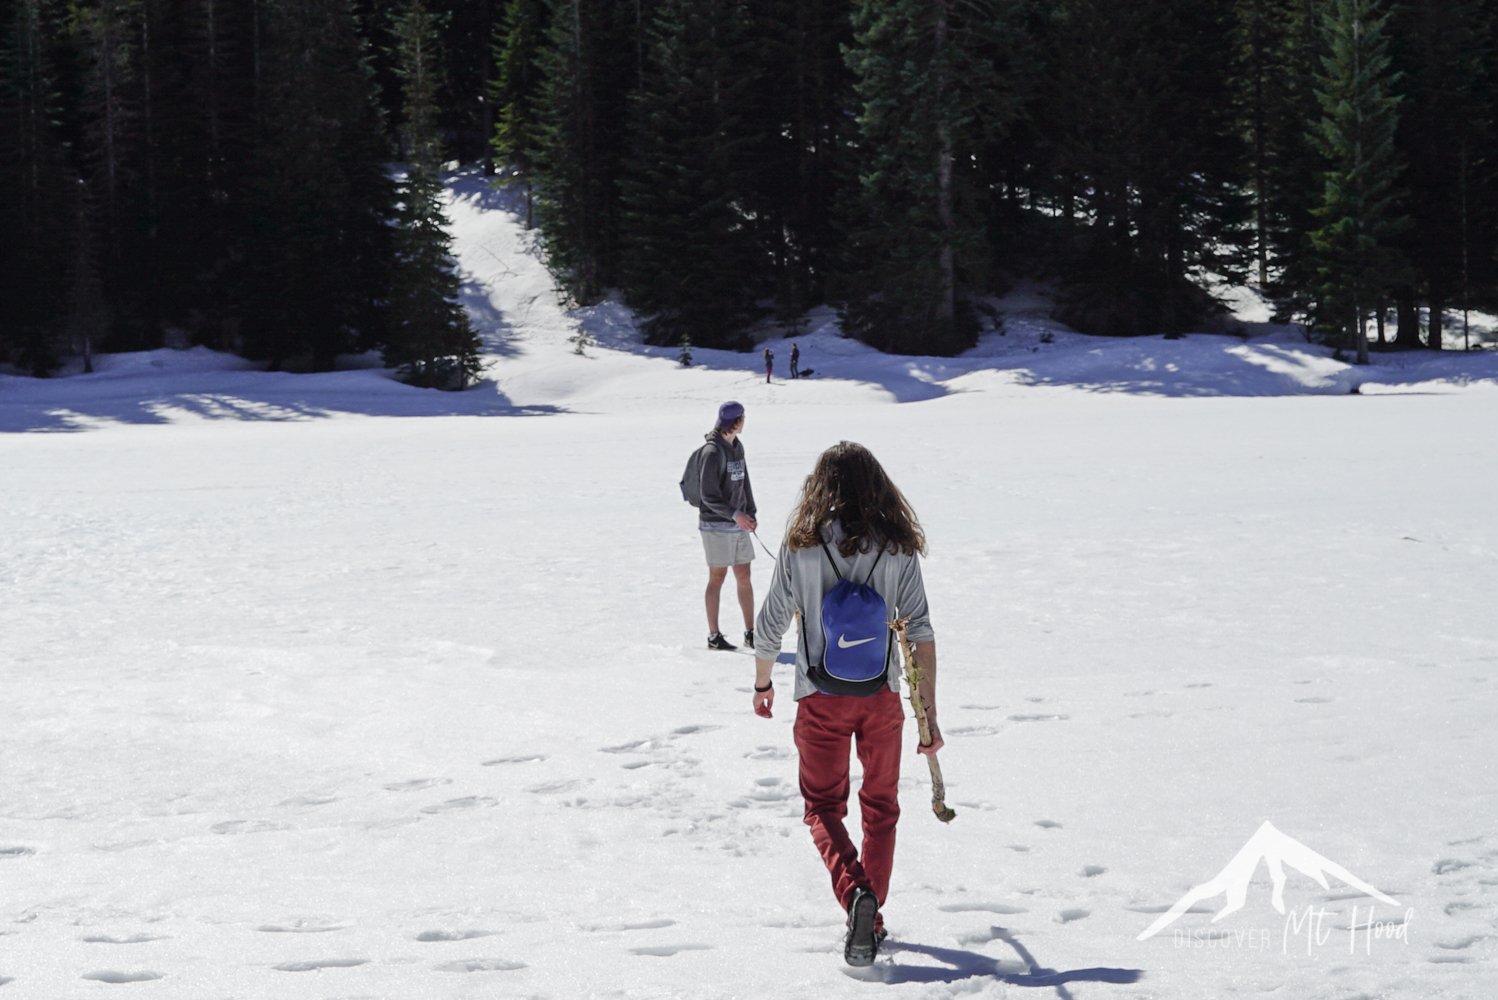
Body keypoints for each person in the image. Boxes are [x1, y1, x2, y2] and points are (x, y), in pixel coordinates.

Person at [751, 441, 940, 967]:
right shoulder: (897, 546)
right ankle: (871, 920)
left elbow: (769, 623)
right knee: (880, 809)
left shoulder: (800, 543)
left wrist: (763, 684)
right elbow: (920, 630)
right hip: (881, 698)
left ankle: (854, 894)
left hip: (819, 698)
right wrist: (928, 714)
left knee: (822, 807)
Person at [698, 401, 758, 651]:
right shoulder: (712, 452)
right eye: (742, 418)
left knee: (744, 575)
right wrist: (735, 514)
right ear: (735, 421)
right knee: (718, 577)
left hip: (738, 524)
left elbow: (745, 481)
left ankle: (751, 632)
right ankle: (714, 635)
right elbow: (707, 496)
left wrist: (750, 511)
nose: (744, 421)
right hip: (716, 526)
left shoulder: (737, 446)